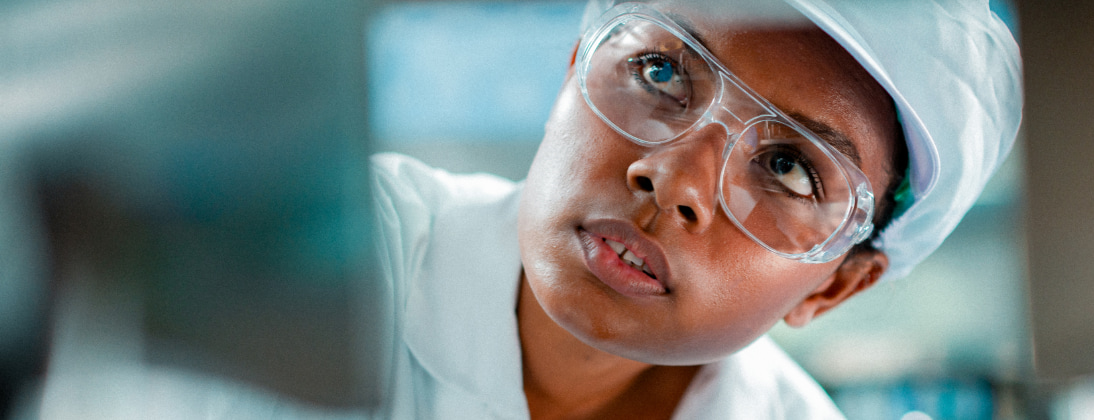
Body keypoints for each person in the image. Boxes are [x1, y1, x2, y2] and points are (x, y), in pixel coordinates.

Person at [370, 0, 1019, 418]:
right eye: (660, 73)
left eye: (788, 167)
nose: (675, 179)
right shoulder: (327, 267)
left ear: (835, 286)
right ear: (572, 73)